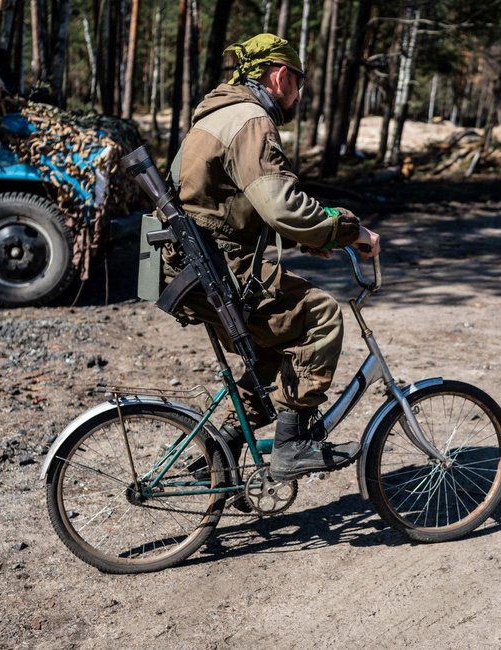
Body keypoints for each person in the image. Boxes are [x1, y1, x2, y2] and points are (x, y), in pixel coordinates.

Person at [166, 33, 381, 483]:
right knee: (320, 315)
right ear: (280, 75)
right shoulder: (251, 120)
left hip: (191, 266)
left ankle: (219, 450)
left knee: (271, 349)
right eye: (299, 83)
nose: (299, 95)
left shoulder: (220, 113)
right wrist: (348, 229)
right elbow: (281, 205)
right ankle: (292, 446)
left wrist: (311, 239)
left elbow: (240, 205)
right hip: (213, 268)